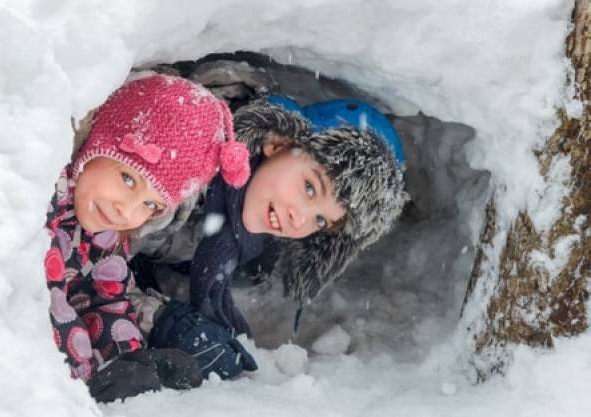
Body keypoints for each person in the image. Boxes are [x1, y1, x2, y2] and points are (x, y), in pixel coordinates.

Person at [130, 93, 409, 380]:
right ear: (277, 143)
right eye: (310, 188)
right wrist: (161, 319)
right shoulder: (183, 176)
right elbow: (90, 252)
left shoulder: (251, 243)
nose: (300, 219)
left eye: (321, 220)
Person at [43, 73, 251, 402]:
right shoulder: (40, 201)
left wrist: (132, 359)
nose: (126, 210)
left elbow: (103, 300)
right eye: (128, 178)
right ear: (98, 142)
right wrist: (88, 375)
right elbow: (41, 310)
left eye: (150, 205)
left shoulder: (107, 231)